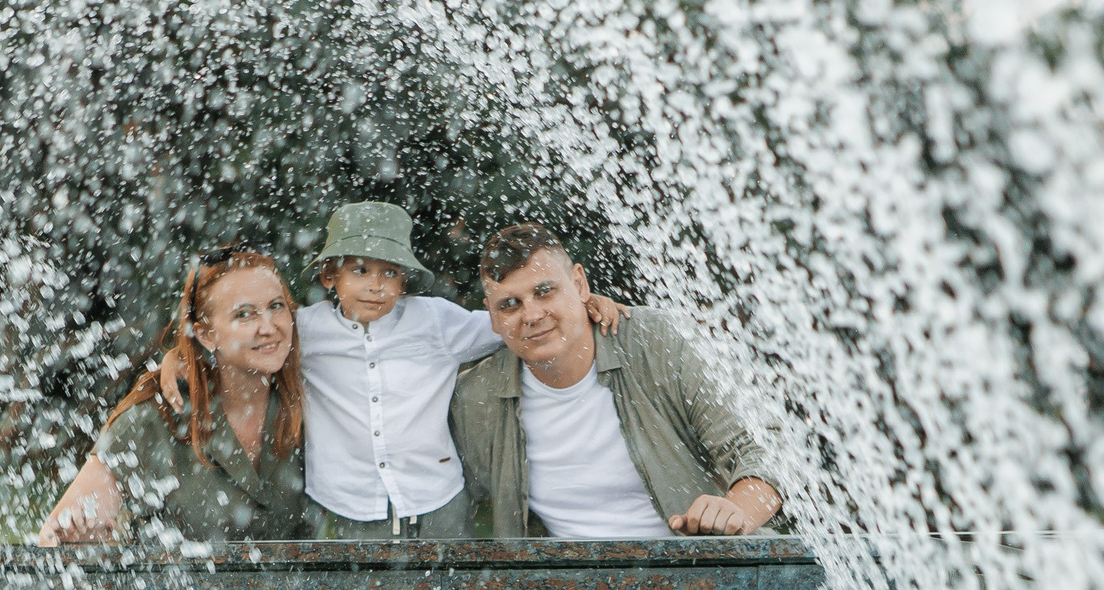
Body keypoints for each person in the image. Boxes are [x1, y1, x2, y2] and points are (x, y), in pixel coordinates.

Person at [296, 201, 619, 538]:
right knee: (359, 588)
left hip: (437, 495)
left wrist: (585, 304)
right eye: (361, 271)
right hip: (347, 500)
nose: (376, 285)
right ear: (329, 275)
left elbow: (511, 326)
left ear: (404, 280)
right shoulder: (305, 332)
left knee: (449, 584)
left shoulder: (434, 321)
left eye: (390, 272)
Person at [448, 222, 783, 539]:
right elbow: (432, 485)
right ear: (492, 315)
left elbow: (766, 453)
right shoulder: (476, 398)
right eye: (509, 305)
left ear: (579, 284)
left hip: (700, 577)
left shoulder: (658, 343)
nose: (532, 315)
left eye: (545, 291)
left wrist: (734, 512)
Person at [36, 244, 311, 545]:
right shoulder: (154, 420)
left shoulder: (313, 399)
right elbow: (53, 536)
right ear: (207, 334)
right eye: (244, 315)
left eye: (276, 306)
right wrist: (84, 541)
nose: (268, 327)